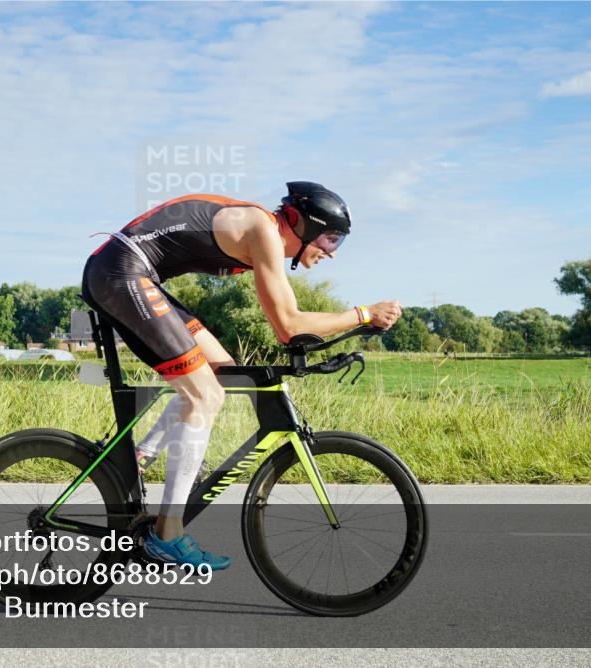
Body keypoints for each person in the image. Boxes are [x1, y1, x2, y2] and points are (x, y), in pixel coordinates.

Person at [80, 181, 402, 570]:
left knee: (223, 375)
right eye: (331, 240)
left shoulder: (262, 231)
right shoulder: (263, 230)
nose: (332, 253)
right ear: (303, 226)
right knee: (205, 396)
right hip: (120, 274)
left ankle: (140, 455)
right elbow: (288, 324)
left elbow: (288, 326)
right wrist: (364, 314)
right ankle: (167, 532)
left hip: (135, 276)